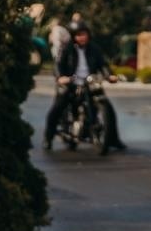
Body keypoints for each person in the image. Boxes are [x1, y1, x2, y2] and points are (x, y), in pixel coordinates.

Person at [45, 21, 124, 151]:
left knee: (108, 108)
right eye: (78, 35)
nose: (82, 37)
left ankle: (113, 139)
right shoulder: (66, 49)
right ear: (73, 36)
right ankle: (48, 137)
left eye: (84, 34)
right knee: (57, 108)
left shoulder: (94, 49)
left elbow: (103, 65)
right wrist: (61, 77)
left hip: (89, 83)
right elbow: (58, 64)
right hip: (71, 84)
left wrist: (109, 75)